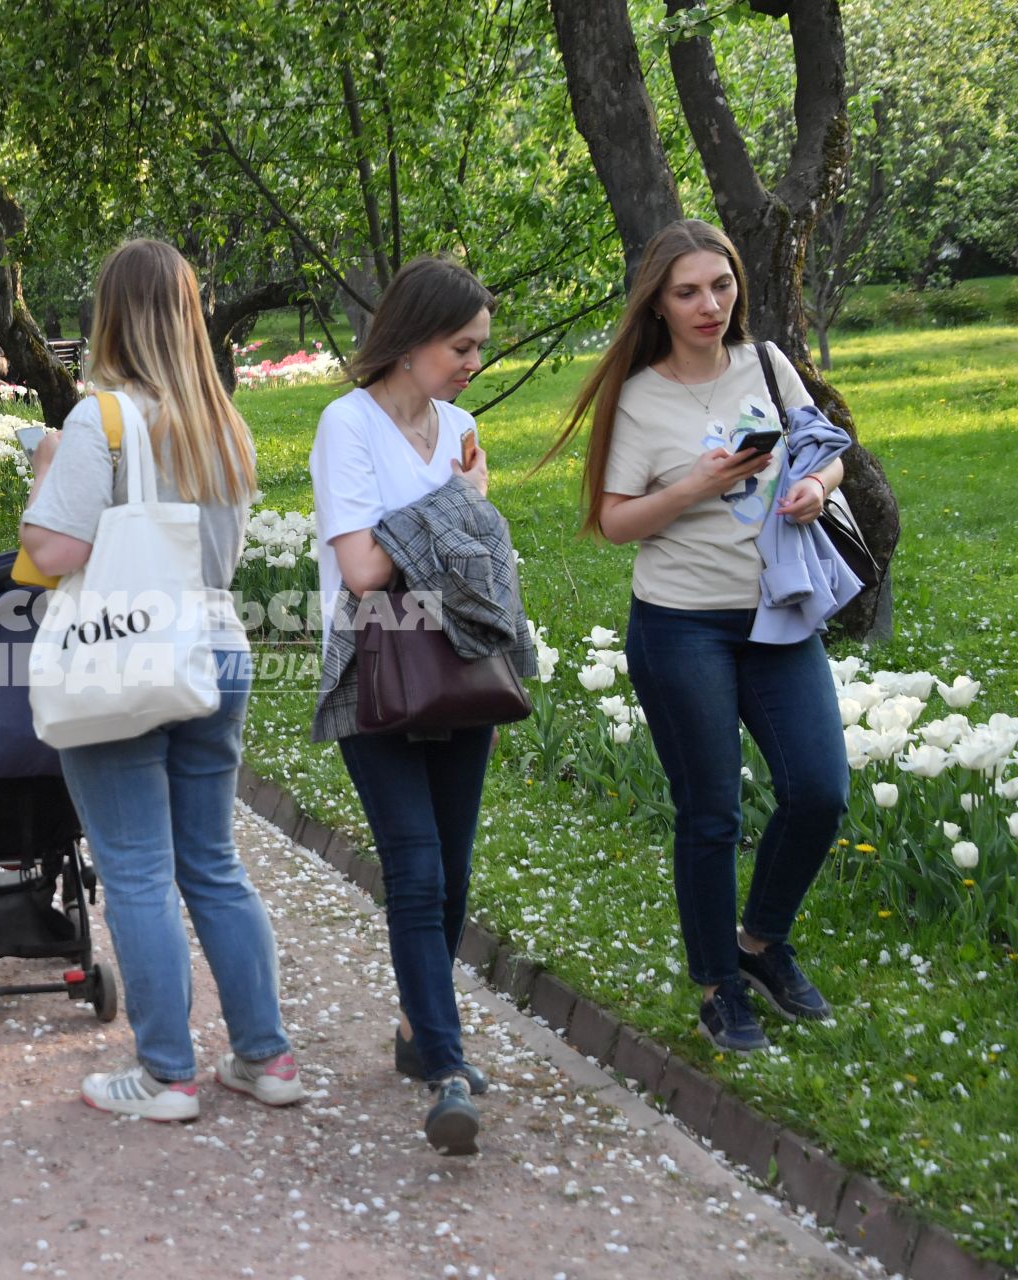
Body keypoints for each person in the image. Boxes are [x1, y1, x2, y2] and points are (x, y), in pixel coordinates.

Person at [540, 218, 848, 1054]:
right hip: (681, 625)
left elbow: (828, 450)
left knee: (820, 790)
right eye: (689, 292)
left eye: (722, 284)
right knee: (710, 811)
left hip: (776, 613)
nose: (711, 304)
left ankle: (760, 943)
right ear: (660, 304)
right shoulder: (639, 397)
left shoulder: (770, 364)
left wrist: (816, 486)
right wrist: (702, 483)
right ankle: (718, 983)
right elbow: (612, 522)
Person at [19, 238, 300, 1122]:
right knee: (212, 861)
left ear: (111, 314)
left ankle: (167, 1072)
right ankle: (267, 1058)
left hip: (124, 652)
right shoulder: (224, 423)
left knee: (136, 866)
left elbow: (54, 551)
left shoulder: (99, 419)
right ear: (187, 315)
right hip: (215, 645)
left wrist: (41, 481)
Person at [308, 255, 505, 1156]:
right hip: (375, 671)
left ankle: (416, 1028)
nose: (473, 365)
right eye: (462, 347)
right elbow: (362, 572)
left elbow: (479, 565)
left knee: (452, 876)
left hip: (459, 664)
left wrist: (457, 515)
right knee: (417, 872)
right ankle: (448, 1068)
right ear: (415, 335)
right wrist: (452, 503)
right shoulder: (344, 428)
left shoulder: (461, 426)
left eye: (479, 350)